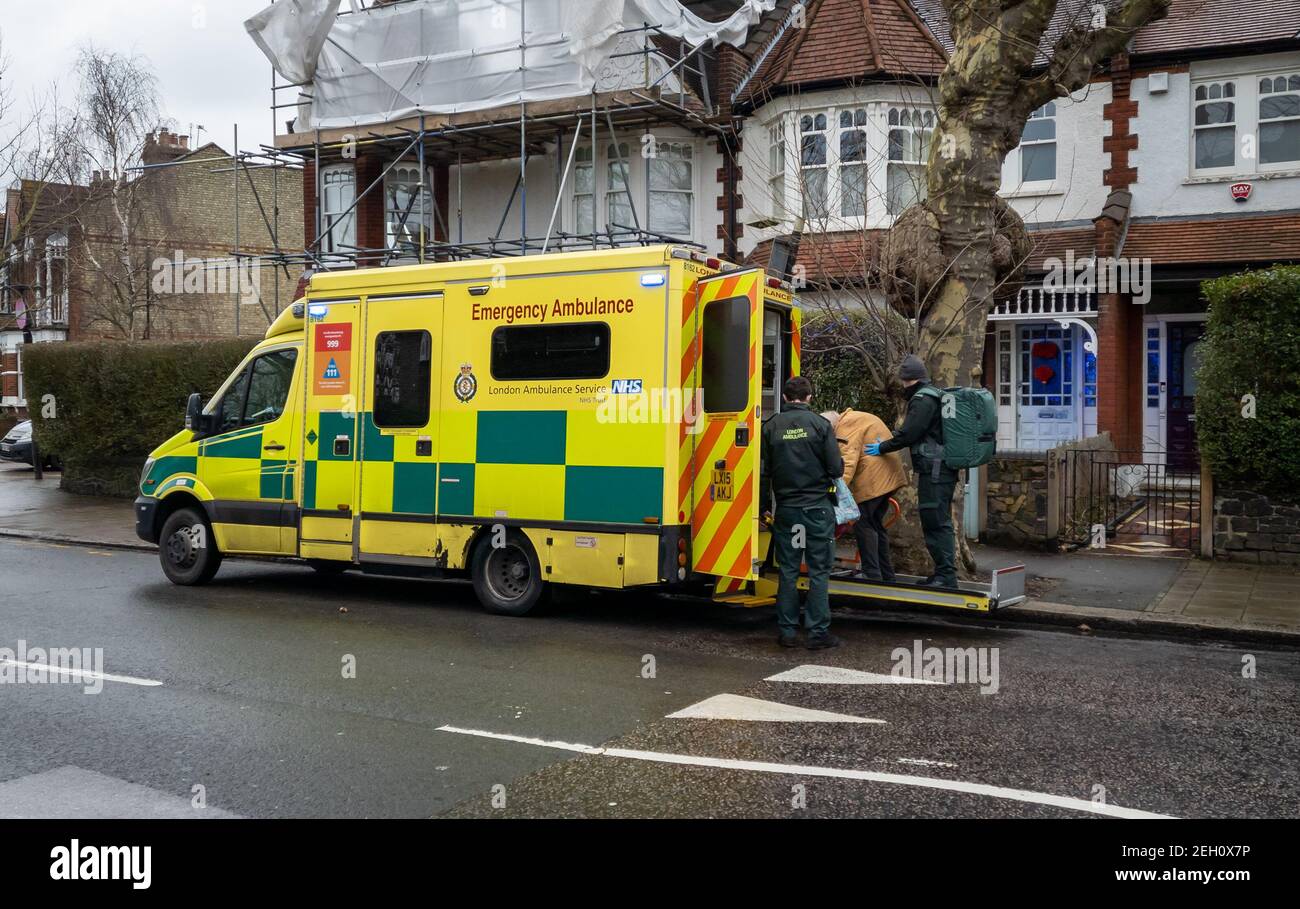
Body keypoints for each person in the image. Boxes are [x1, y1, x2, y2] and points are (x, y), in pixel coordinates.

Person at [760, 376, 845, 650]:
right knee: (819, 571)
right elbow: (836, 469)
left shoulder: (771, 427)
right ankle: (817, 633)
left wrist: (764, 505)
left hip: (787, 510)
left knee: (788, 570)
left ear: (785, 398)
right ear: (809, 398)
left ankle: (787, 632)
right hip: (817, 510)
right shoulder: (821, 425)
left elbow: (764, 471)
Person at [864, 355, 958, 588]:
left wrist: (882, 447)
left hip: (935, 470)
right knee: (938, 520)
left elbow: (910, 433)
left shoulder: (922, 400)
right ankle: (943, 574)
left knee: (935, 521)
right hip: (939, 469)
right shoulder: (933, 395)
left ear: (907, 379)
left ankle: (946, 576)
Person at [822, 408, 907, 582]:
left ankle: (871, 573)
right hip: (886, 478)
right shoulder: (855, 417)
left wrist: (835, 491)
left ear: (831, 427)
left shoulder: (846, 426)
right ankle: (886, 574)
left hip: (874, 481)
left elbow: (847, 461)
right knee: (876, 525)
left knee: (863, 524)